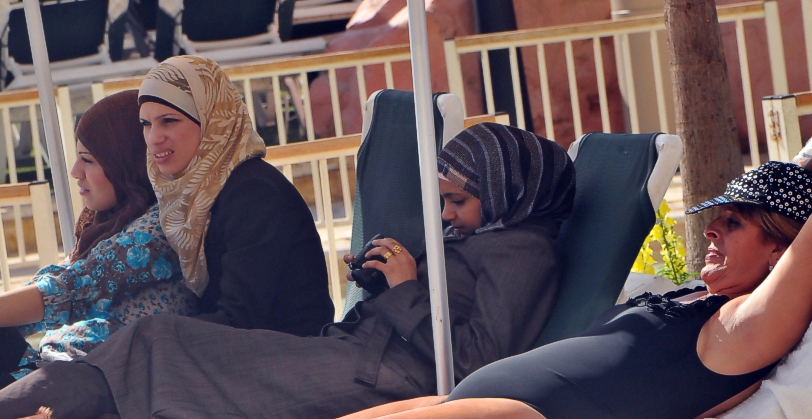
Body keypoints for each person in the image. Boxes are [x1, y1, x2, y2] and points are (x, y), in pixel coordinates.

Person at [0, 122, 576, 419]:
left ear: (506, 193)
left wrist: (404, 291)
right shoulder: (485, 234)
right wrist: (385, 278)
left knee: (161, 341)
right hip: (360, 352)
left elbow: (474, 361)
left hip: (388, 376)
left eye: (458, 202)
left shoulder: (522, 253)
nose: (447, 215)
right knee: (157, 342)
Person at [338, 161, 812, 419]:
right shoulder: (698, 298)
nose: (711, 231)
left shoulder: (743, 328)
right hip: (468, 400)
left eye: (734, 223)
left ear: (780, 252)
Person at [0, 90, 197, 387]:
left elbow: (68, 288)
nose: (75, 172)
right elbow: (50, 285)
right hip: (56, 369)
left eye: (88, 160)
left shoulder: (159, 230)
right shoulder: (112, 223)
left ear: (125, 162)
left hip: (89, 382)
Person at [135, 55, 334, 333]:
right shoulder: (192, 194)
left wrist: (150, 336)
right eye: (146, 124)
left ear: (211, 118)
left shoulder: (255, 194)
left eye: (168, 120)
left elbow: (242, 319)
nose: (153, 137)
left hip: (290, 359)